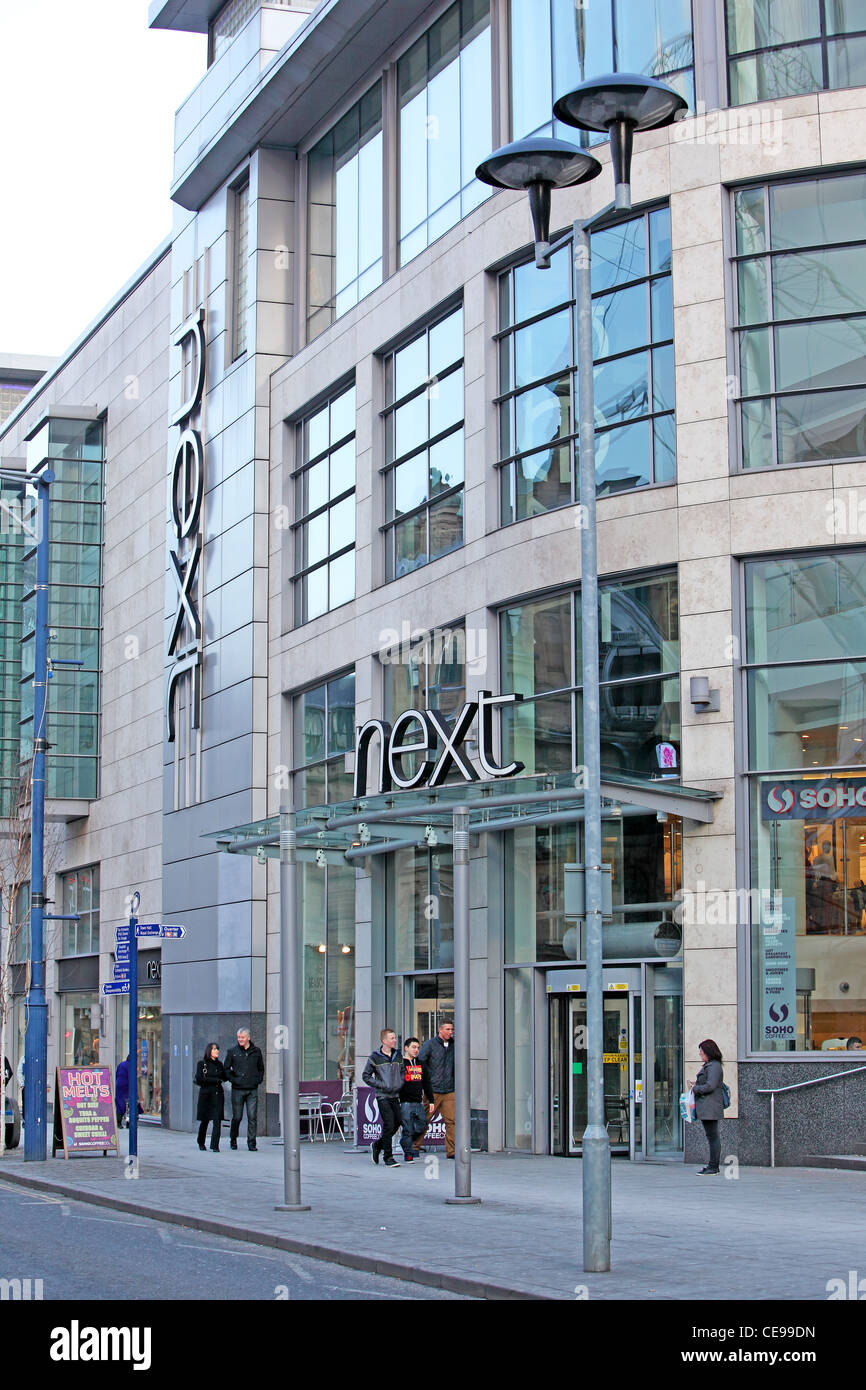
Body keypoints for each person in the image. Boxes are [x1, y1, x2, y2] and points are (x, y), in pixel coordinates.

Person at [362, 1028, 404, 1167]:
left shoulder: (398, 1055)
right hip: (383, 1095)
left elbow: (403, 1071)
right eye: (391, 1038)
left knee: (398, 1122)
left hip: (395, 1094)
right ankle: (388, 1157)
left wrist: (400, 1082)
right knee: (389, 1123)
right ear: (384, 1040)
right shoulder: (375, 1057)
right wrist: (381, 1085)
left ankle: (378, 1144)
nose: (394, 1040)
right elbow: (366, 1076)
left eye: (394, 1038)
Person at [419, 1019, 455, 1159]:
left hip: (449, 1089)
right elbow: (421, 1061)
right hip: (433, 1089)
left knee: (451, 1122)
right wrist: (426, 1081)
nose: (450, 1032)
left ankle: (451, 1151)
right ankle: (414, 1147)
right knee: (425, 1119)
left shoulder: (454, 1045)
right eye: (447, 1029)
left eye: (451, 1029)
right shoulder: (430, 1044)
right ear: (440, 1030)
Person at [688, 1038, 724, 1175]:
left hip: (710, 1106)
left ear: (708, 1052)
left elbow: (710, 1086)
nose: (700, 1055)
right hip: (707, 1106)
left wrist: (696, 1089)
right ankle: (712, 1165)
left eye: (702, 1052)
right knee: (711, 1136)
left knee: (712, 1137)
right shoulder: (710, 1065)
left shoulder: (714, 1066)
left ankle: (713, 1166)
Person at [224, 1028, 264, 1151]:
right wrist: (234, 1080)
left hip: (252, 1089)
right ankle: (233, 1139)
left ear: (248, 1038)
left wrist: (257, 1080)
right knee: (237, 1117)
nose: (240, 1039)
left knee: (252, 1117)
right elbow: (226, 1069)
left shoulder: (256, 1052)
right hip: (238, 1089)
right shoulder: (232, 1051)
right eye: (238, 1037)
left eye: (242, 1037)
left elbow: (261, 1068)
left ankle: (251, 1142)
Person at [398, 1037, 434, 1163]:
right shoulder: (400, 1064)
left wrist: (431, 1100)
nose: (416, 1050)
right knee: (407, 1129)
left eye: (418, 1048)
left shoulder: (420, 1064)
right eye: (413, 1047)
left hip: (418, 1101)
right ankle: (408, 1154)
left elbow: (427, 1083)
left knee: (422, 1125)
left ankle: (404, 1142)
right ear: (406, 1048)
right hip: (405, 1102)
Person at [194, 1043, 226, 1151]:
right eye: (214, 1049)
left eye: (217, 1049)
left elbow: (224, 1077)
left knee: (217, 1120)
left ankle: (215, 1145)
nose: (217, 1051)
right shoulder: (202, 1064)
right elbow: (199, 1078)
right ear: (209, 1051)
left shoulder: (220, 1064)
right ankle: (201, 1142)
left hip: (217, 1094)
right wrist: (215, 1080)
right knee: (205, 1120)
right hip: (206, 1095)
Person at [115, 1055, 130, 1128]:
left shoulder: (121, 1064)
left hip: (118, 1085)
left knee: (119, 1104)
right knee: (128, 1105)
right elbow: (131, 1077)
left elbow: (116, 1074)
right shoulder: (130, 1065)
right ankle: (128, 1123)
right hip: (127, 1086)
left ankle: (118, 1123)